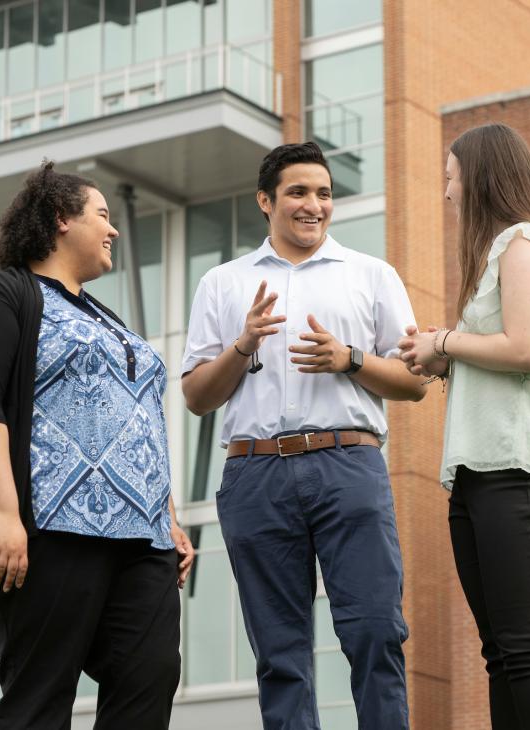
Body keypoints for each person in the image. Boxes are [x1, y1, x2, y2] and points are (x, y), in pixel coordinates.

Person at [0, 161, 194, 730]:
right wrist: (4, 514)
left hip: (141, 539)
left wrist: (166, 515)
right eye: (102, 215)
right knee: (41, 694)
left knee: (150, 676)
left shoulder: (107, 319)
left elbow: (136, 418)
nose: (114, 229)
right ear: (59, 219)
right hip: (47, 530)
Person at [181, 141, 426, 730]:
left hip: (349, 467)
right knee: (279, 652)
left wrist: (349, 358)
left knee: (374, 630)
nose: (313, 204)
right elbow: (195, 397)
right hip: (255, 474)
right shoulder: (223, 283)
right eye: (297, 192)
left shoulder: (371, 275)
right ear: (266, 201)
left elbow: (414, 383)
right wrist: (243, 346)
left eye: (323, 193)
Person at [399, 122, 530, 730]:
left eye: (450, 178)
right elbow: (500, 350)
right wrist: (442, 354)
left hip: (517, 467)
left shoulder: (523, 243)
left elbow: (526, 347)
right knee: (501, 653)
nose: (447, 193)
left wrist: (447, 340)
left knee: (525, 647)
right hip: (481, 471)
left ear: (479, 177)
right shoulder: (496, 257)